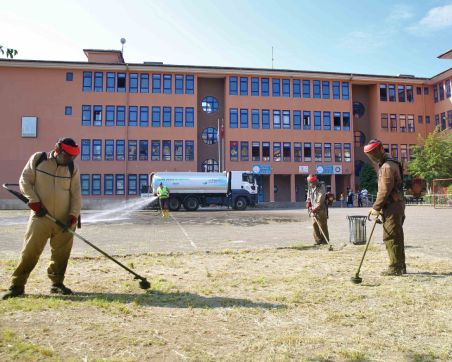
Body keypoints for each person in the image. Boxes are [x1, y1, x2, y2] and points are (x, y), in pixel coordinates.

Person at [2, 138, 81, 299]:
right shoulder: (39, 159)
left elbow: (76, 195)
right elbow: (25, 181)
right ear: (58, 150)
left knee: (61, 255)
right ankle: (17, 285)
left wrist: (73, 215)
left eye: (73, 157)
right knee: (29, 252)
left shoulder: (72, 168)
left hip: (64, 221)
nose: (69, 160)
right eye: (67, 156)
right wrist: (34, 202)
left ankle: (57, 284)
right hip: (40, 217)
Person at [364, 139, 406, 276]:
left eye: (374, 152)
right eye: (370, 154)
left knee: (391, 236)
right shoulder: (389, 163)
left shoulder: (387, 166)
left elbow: (384, 190)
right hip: (394, 204)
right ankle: (400, 265)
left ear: (381, 149)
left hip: (393, 205)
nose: (373, 156)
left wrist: (375, 207)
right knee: (396, 235)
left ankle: (396, 267)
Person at [306, 174, 329, 245]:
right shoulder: (310, 187)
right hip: (313, 209)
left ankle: (325, 242)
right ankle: (318, 241)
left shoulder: (321, 187)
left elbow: (321, 198)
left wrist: (315, 208)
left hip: (321, 209)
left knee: (322, 226)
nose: (310, 184)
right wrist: (308, 201)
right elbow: (308, 195)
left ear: (315, 181)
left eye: (311, 183)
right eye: (309, 183)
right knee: (314, 224)